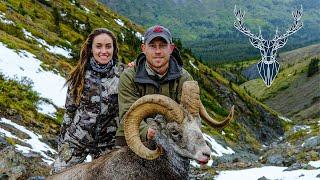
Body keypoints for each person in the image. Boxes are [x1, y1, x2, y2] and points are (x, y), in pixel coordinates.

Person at [52, 28, 124, 173]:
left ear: (114, 49)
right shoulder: (79, 74)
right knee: (58, 173)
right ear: (91, 49)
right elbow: (70, 110)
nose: (104, 51)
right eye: (98, 46)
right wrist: (63, 142)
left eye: (108, 46)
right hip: (77, 139)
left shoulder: (123, 75)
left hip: (107, 143)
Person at [115, 25, 193, 145]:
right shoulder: (129, 76)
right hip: (135, 134)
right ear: (143, 48)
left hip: (172, 136)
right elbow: (127, 112)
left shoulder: (184, 79)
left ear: (171, 48)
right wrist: (147, 131)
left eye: (162, 46)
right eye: (152, 46)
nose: (157, 51)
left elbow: (189, 115)